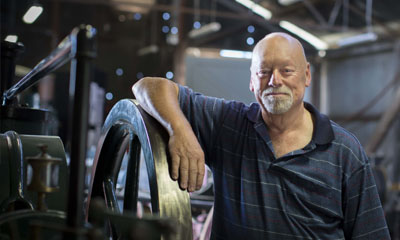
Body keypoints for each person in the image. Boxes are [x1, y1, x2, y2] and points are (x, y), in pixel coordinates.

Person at [132, 32, 391, 239]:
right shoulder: (228, 124)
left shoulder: (344, 151)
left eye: (286, 71)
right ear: (252, 81)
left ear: (307, 75)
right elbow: (147, 87)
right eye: (264, 71)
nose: (274, 80)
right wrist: (181, 130)